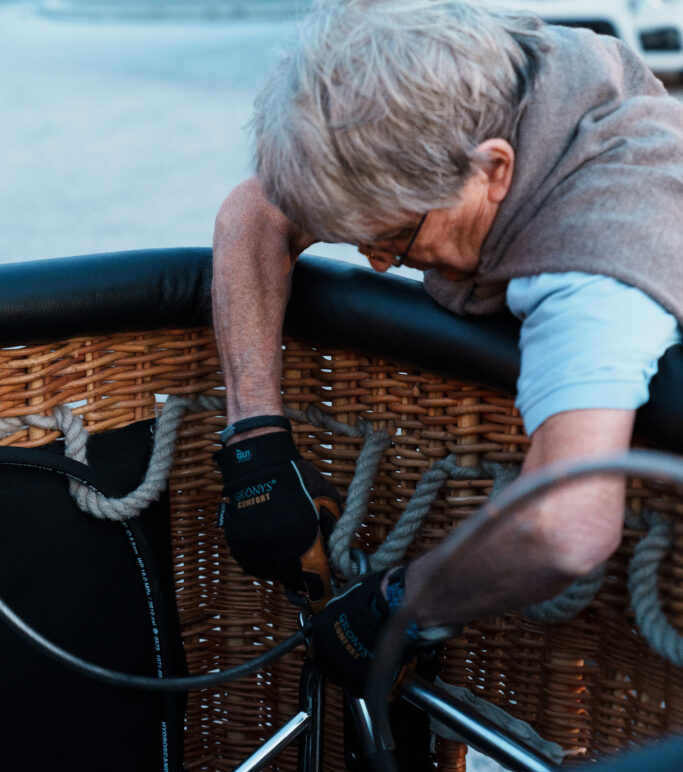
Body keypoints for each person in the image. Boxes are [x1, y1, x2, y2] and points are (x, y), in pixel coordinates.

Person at [211, 0, 683, 691]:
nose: (377, 264)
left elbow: (563, 525)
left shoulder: (595, 268)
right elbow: (258, 208)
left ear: (492, 170)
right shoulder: (476, 70)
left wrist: (397, 606)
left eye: (394, 241)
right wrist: (254, 434)